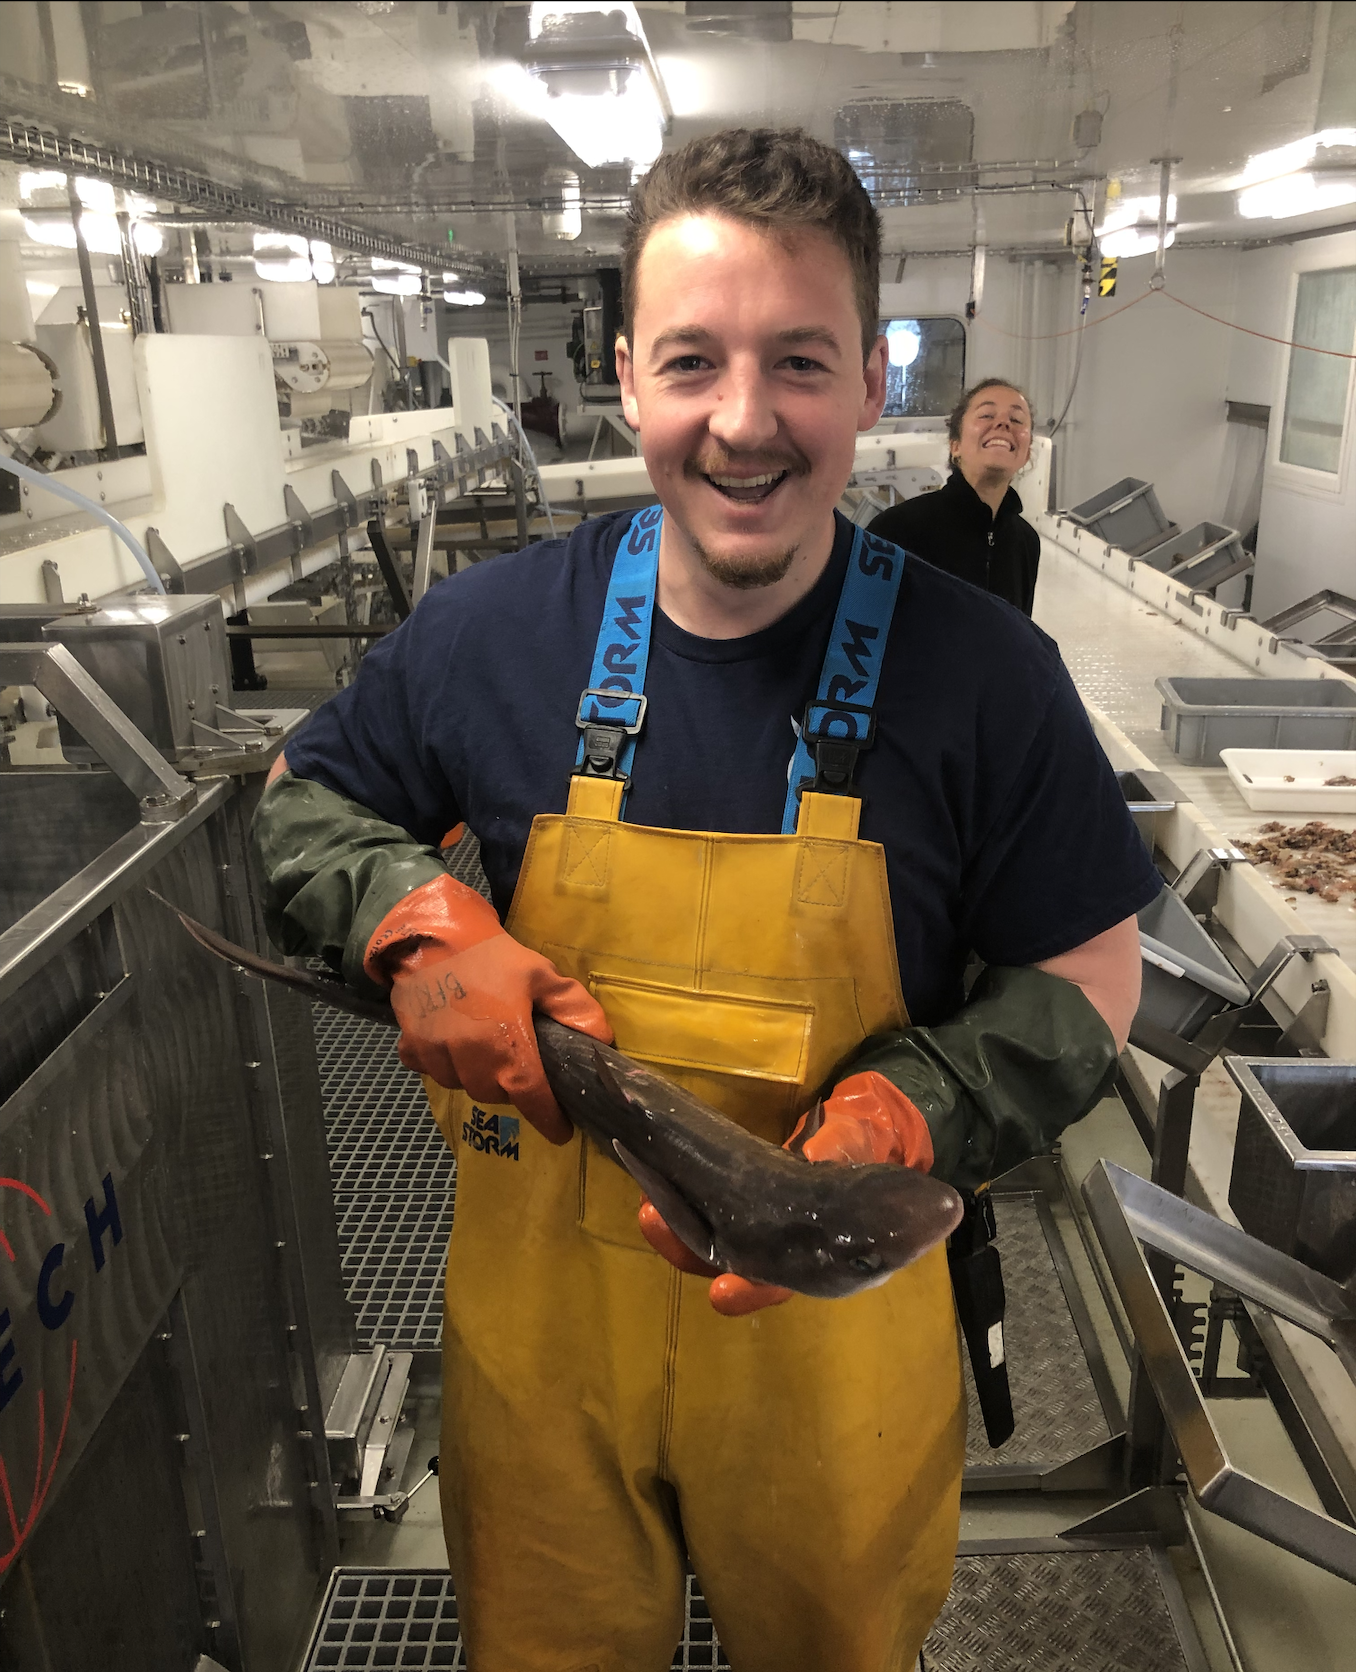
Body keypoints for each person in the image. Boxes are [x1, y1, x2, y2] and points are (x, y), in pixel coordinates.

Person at [253, 128, 1158, 1672]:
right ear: (625, 374)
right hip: (543, 1355)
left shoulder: (988, 677)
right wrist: (411, 919)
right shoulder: (494, 636)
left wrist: (916, 1111)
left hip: (832, 1343)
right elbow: (300, 799)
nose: (744, 423)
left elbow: (1093, 964)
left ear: (875, 381)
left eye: (799, 362)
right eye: (693, 361)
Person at [867, 378, 1042, 615]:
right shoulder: (895, 529)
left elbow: (1021, 635)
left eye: (1017, 419)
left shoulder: (1026, 541)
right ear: (955, 446)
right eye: (987, 415)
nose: (1003, 423)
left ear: (1026, 455)